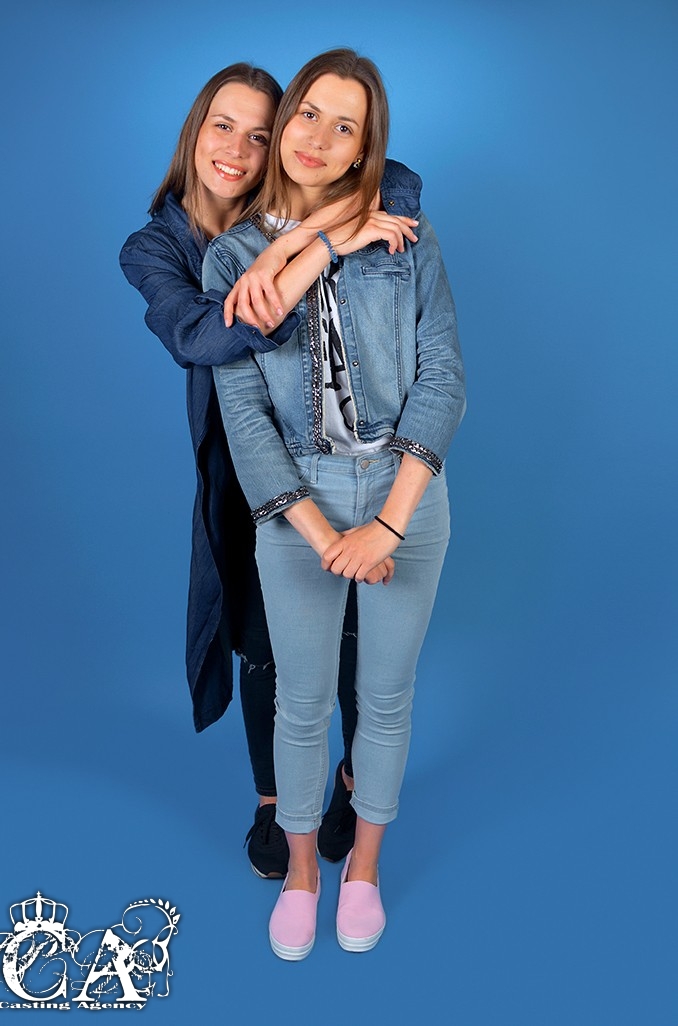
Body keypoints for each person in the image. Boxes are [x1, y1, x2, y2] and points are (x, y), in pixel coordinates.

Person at [204, 48, 465, 958]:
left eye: (344, 126)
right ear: (286, 122)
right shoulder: (234, 259)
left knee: (385, 698)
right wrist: (320, 534)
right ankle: (303, 875)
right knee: (302, 701)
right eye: (308, 113)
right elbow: (244, 415)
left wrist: (388, 524)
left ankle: (363, 872)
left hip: (406, 494)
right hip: (296, 505)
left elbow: (443, 380)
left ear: (365, 149)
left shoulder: (407, 235)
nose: (318, 137)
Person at [119, 63, 374, 879]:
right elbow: (201, 336)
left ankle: (353, 779)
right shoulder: (154, 248)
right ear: (194, 131)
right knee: (263, 645)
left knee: (354, 637)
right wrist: (312, 253)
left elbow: (397, 181)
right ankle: (274, 799)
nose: (238, 148)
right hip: (244, 469)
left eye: (262, 134)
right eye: (223, 126)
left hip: (342, 451)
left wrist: (298, 237)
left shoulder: (300, 202)